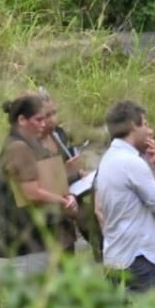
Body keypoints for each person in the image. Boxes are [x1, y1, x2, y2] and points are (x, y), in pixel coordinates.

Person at [0, 93, 79, 274]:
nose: (44, 124)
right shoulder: (18, 147)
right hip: (27, 245)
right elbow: (31, 192)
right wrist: (64, 202)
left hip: (45, 239)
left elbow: (51, 181)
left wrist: (68, 194)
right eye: (38, 120)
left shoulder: (33, 145)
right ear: (22, 120)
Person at [94, 100, 155, 293]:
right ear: (132, 127)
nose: (149, 130)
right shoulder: (131, 162)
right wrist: (152, 171)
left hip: (116, 255)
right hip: (139, 256)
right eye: (144, 124)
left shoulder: (109, 158)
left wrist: (151, 166)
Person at [34, 87, 103, 262]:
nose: (52, 120)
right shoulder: (29, 145)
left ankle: (105, 257)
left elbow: (69, 162)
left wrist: (81, 173)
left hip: (72, 193)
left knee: (94, 216)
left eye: (54, 113)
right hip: (49, 205)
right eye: (46, 116)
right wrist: (66, 171)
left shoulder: (59, 134)